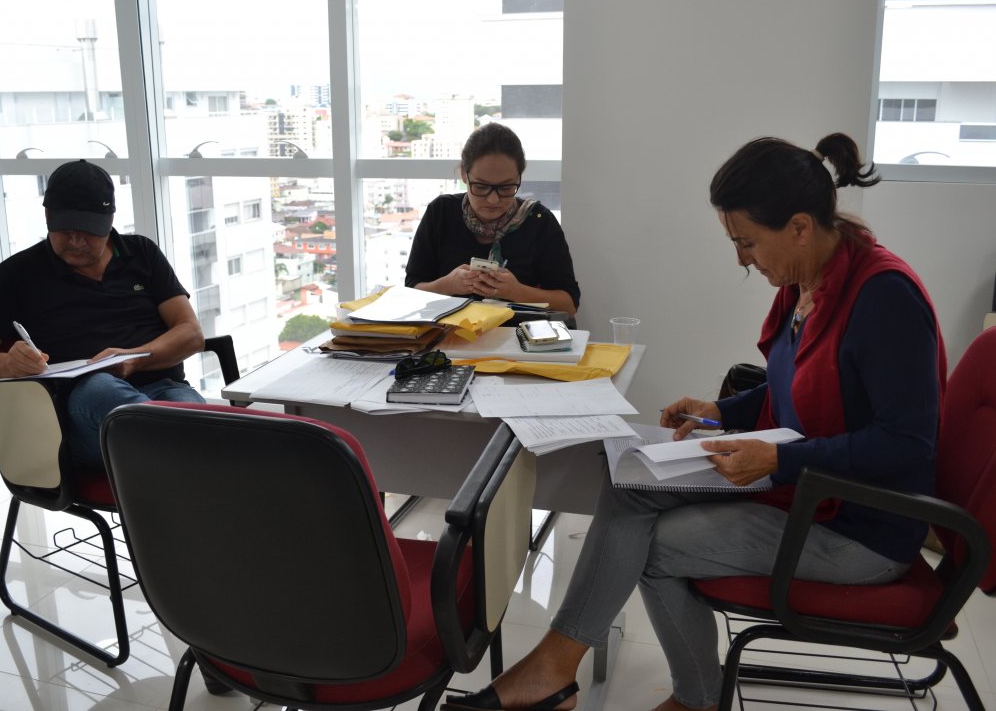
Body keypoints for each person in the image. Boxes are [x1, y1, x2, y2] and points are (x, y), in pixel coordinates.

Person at [443, 133, 946, 711]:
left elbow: (907, 444)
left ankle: (688, 697)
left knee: (653, 547)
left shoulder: (884, 298)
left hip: (859, 529)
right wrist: (724, 411)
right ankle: (555, 669)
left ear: (800, 227)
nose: (742, 259)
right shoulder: (808, 279)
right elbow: (804, 390)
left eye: (747, 242)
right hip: (808, 485)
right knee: (628, 483)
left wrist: (779, 458)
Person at [0, 159, 206, 473]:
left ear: (109, 220)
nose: (76, 241)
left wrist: (133, 359)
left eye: (87, 231)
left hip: (165, 388)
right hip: (80, 413)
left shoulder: (142, 253)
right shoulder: (18, 274)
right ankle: (186, 461)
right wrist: (7, 364)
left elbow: (191, 334)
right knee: (105, 390)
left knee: (191, 418)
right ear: (47, 217)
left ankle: (175, 465)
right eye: (66, 230)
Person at [404, 123, 581, 315]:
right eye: (481, 187)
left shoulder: (538, 221)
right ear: (464, 174)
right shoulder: (441, 213)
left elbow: (569, 304)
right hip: (450, 332)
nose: (493, 199)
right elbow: (410, 292)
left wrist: (517, 292)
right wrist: (447, 285)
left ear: (519, 177)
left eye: (506, 188)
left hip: (519, 332)